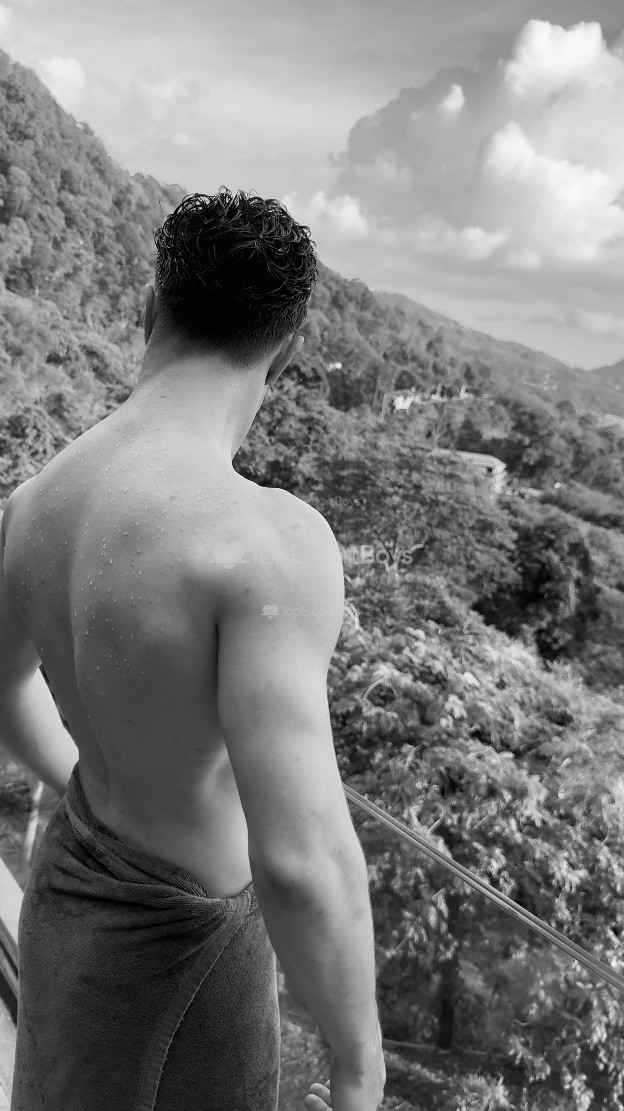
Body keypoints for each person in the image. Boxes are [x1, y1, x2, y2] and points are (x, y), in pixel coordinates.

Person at [0, 188, 385, 1110]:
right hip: (187, 954)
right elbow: (299, 858)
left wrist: (93, 776)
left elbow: (2, 691)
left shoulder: (34, 504)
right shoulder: (264, 545)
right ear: (286, 353)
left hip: (70, 888)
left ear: (149, 310)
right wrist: (360, 1063)